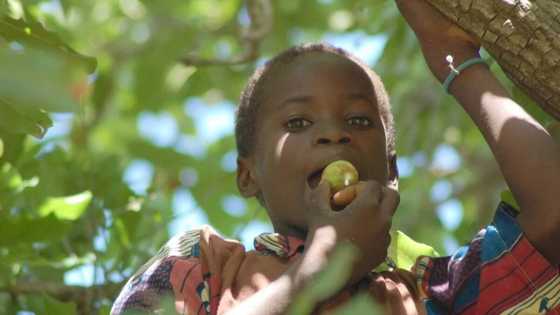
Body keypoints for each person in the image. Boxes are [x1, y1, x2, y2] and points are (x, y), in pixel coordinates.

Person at [111, 0, 560, 314]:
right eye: (298, 124)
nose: (334, 134)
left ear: (392, 176)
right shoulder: (201, 265)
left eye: (360, 122)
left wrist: (457, 61)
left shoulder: (432, 295)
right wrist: (321, 267)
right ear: (248, 176)